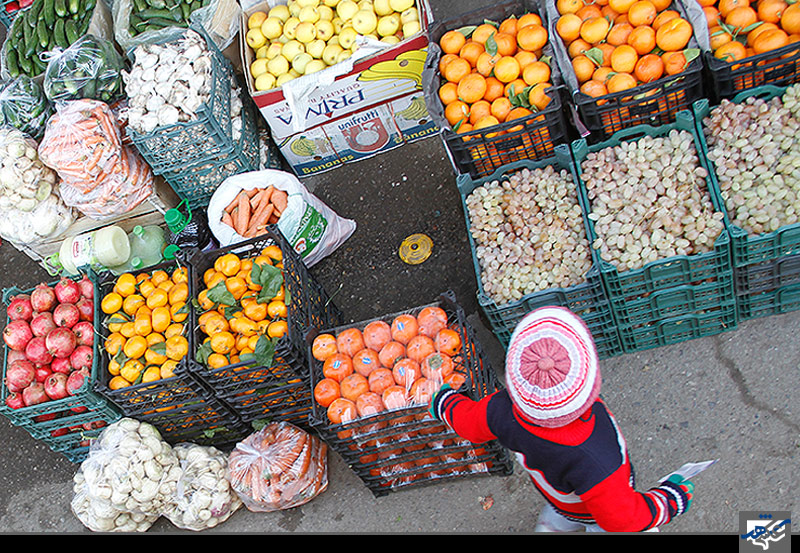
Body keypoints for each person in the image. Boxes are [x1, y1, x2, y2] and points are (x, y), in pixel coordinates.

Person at [428, 305, 695, 533]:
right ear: (589, 383)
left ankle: (554, 524)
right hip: (591, 508)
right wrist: (668, 500)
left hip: (560, 495)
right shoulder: (597, 459)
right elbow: (622, 518)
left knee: (565, 504)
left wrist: (443, 401)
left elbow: (468, 423)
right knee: (602, 522)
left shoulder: (502, 409)